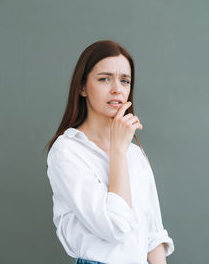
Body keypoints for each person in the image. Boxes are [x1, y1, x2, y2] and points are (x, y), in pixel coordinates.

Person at [45, 40, 174, 264]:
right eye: (104, 79)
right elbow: (115, 226)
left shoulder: (134, 154)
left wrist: (121, 148)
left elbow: (153, 234)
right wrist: (117, 149)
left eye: (125, 81)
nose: (117, 89)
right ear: (82, 87)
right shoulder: (67, 151)